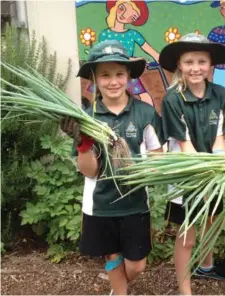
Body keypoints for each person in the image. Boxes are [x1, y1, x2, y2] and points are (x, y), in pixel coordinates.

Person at [61, 40, 164, 295]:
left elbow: (157, 157)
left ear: (129, 76)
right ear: (94, 79)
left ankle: (118, 286)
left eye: (119, 74)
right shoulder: (87, 117)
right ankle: (119, 292)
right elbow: (89, 171)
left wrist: (147, 171)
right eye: (105, 75)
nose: (113, 81)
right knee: (112, 255)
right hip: (101, 204)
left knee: (137, 265)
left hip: (135, 203)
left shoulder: (144, 113)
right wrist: (83, 143)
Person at [159, 32, 225, 295]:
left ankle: (206, 266)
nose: (196, 68)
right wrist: (209, 171)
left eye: (202, 61)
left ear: (210, 64)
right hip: (185, 172)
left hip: (211, 170)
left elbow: (219, 140)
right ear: (180, 65)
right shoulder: (172, 99)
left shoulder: (220, 95)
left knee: (212, 219)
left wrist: (222, 164)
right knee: (187, 234)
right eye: (189, 61)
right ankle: (185, 289)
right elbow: (186, 147)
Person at [99, 0, 160, 106]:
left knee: (144, 96)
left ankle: (151, 118)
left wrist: (160, 59)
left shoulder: (133, 34)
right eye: (122, 8)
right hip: (110, 72)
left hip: (128, 72)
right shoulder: (105, 34)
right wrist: (136, 60)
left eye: (131, 16)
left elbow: (149, 49)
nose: (123, 15)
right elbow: (110, 55)